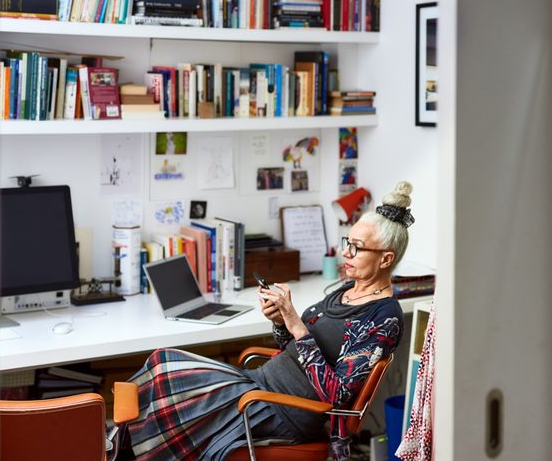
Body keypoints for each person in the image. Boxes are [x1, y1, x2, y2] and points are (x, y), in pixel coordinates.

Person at [121, 181, 415, 460]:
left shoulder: (384, 317)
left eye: (357, 247)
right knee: (163, 363)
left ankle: (125, 452)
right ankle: (117, 449)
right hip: (259, 383)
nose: (346, 252)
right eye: (346, 242)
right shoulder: (346, 290)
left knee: (172, 397)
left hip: (283, 410)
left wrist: (295, 323)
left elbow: (336, 394)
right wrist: (280, 321)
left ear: (386, 259)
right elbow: (297, 349)